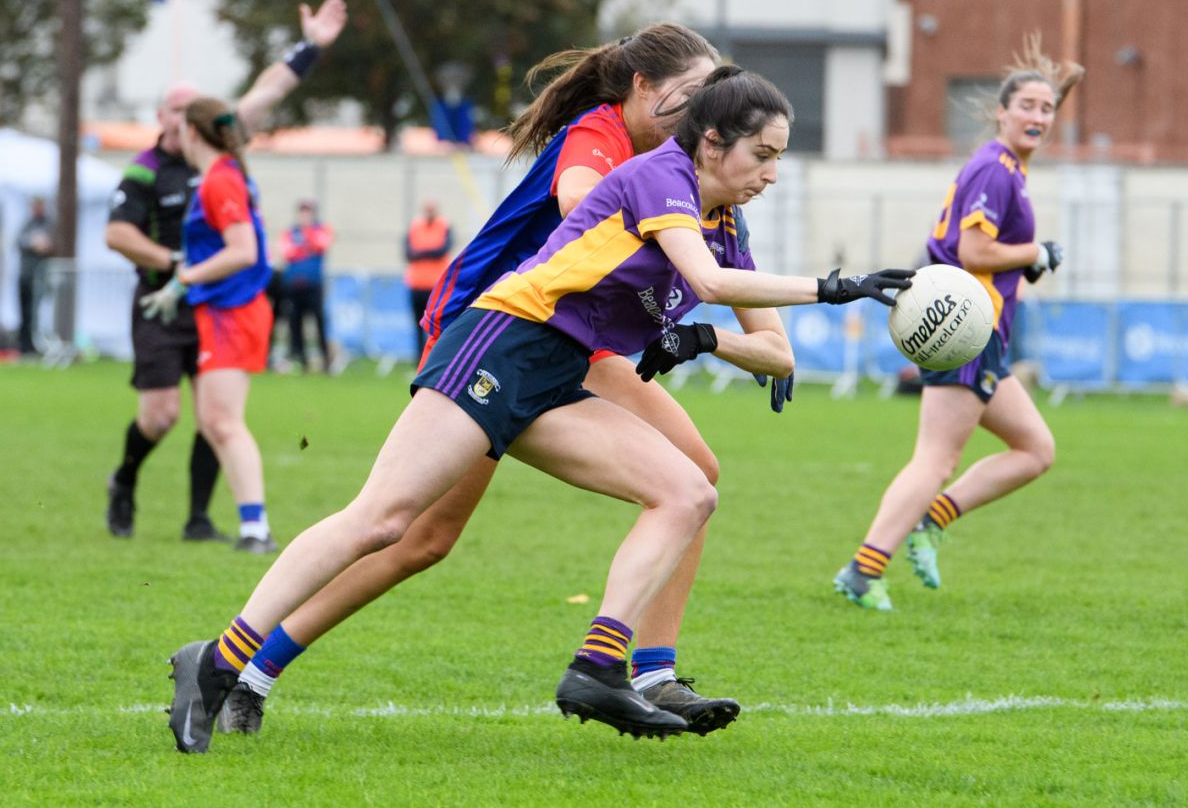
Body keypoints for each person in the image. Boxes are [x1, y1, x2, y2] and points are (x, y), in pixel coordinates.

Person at [165, 65, 911, 752]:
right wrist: (834, 286)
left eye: (780, 156)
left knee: (688, 490)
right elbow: (707, 280)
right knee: (386, 520)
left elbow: (775, 351)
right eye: (762, 154)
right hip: (504, 343)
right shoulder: (662, 178)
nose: (772, 174)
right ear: (712, 142)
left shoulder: (721, 222)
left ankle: (600, 666)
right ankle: (222, 657)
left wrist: (699, 340)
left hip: (558, 375)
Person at [216, 24, 742, 741]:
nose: (698, 113)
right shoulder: (602, 133)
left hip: (569, 339)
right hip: (490, 325)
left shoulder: (673, 161)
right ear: (641, 88)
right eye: (686, 96)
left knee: (695, 476)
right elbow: (581, 204)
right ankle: (248, 669)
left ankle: (652, 672)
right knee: (417, 535)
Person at [832, 36, 1083, 611]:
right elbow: (973, 251)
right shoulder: (994, 170)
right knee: (937, 459)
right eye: (1027, 106)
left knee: (1035, 448)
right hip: (962, 327)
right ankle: (863, 572)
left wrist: (1030, 257)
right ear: (1001, 111)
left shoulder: (1006, 169)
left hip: (981, 330)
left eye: (1047, 108)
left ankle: (932, 520)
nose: (1038, 116)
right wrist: (1035, 252)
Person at [102, 0, 347, 543]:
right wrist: (176, 268)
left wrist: (311, 46)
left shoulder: (221, 158)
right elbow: (116, 234)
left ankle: (206, 520)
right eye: (175, 107)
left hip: (214, 299)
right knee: (164, 415)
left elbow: (271, 88)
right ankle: (126, 478)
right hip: (163, 301)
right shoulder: (145, 170)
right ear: (166, 118)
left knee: (216, 417)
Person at [138, 96, 277, 555]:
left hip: (232, 313)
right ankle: (252, 525)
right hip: (224, 312)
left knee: (222, 421)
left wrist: (182, 281)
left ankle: (255, 529)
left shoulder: (219, 179)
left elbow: (243, 251)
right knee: (213, 420)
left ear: (193, 132)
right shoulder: (224, 173)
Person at [279, 199, 334, 371]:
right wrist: (306, 248)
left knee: (319, 321)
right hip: (294, 284)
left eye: (308, 211)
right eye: (302, 212)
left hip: (314, 284)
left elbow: (322, 244)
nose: (305, 215)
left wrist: (303, 245)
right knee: (295, 322)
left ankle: (325, 359)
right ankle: (300, 359)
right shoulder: (290, 232)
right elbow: (287, 252)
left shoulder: (321, 229)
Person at [402, 200, 453, 360]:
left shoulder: (445, 226)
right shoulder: (414, 227)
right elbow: (408, 253)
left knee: (437, 327)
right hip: (416, 285)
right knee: (418, 326)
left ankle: (436, 360)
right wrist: (428, 252)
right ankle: (418, 361)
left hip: (437, 286)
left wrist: (421, 252)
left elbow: (442, 250)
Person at [16, 196, 54, 355]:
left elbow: (52, 244)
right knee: (24, 312)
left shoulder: (50, 223)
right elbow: (18, 241)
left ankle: (35, 345)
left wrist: (44, 245)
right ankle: (24, 346)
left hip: (40, 276)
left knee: (36, 313)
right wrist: (32, 242)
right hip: (25, 275)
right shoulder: (27, 222)